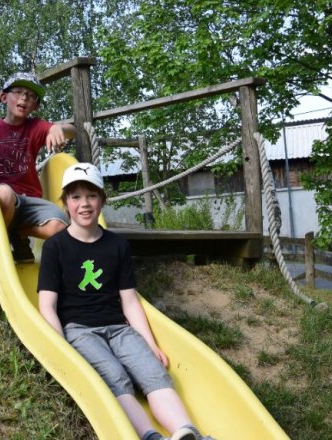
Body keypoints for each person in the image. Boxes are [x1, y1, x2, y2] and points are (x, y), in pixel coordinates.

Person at [37, 163, 214, 440]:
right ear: (65, 203)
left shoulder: (116, 245)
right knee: (113, 377)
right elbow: (47, 304)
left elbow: (130, 301)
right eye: (76, 197)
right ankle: (150, 435)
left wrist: (150, 342)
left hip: (120, 329)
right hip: (80, 331)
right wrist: (62, 348)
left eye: (91, 196)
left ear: (102, 200)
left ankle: (187, 432)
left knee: (153, 372)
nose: (84, 204)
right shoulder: (56, 247)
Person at [0, 72, 74, 263]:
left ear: (35, 105)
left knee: (60, 226)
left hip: (28, 200)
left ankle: (19, 233)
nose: (24, 98)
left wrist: (58, 128)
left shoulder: (35, 126)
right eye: (18, 92)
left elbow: (73, 132)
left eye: (31, 96)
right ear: (4, 97)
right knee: (5, 193)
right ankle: (0, 245)